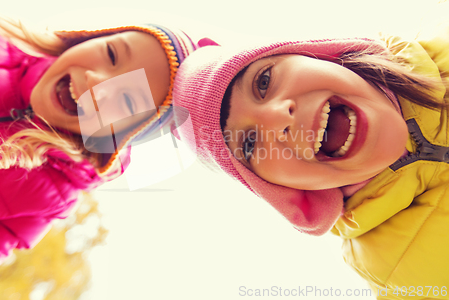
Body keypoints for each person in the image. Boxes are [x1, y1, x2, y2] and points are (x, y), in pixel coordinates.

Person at [172, 24, 449, 299]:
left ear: (317, 54)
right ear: (279, 190)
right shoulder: (399, 278)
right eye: (249, 143)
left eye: (263, 81)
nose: (279, 117)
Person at [0, 1, 198, 299]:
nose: (95, 82)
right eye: (111, 54)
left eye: (127, 101)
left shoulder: (42, 199)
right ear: (89, 37)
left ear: (118, 138)